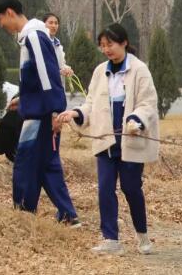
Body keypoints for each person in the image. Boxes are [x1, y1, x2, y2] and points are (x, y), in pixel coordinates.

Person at [57, 23, 159, 254]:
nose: (106, 49)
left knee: (131, 188)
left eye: (110, 44)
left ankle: (142, 235)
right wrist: (76, 113)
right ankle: (111, 240)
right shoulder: (100, 70)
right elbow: (91, 102)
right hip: (106, 140)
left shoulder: (139, 69)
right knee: (104, 188)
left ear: (124, 42)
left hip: (130, 138)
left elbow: (148, 103)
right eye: (102, 46)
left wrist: (137, 120)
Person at [0, 0, 80, 226]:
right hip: (37, 111)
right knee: (46, 165)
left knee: (27, 164)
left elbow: (48, 77)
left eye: (0, 19)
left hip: (42, 115)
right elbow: (37, 80)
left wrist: (53, 113)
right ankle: (67, 215)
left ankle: (23, 214)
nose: (1, 25)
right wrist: (23, 99)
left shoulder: (34, 36)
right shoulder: (31, 37)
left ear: (10, 13)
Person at [42, 13, 73, 79]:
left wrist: (67, 70)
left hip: (58, 86)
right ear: (43, 24)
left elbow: (61, 65)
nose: (54, 26)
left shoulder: (58, 45)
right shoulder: (40, 44)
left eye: (56, 23)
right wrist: (58, 72)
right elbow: (41, 67)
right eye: (50, 23)